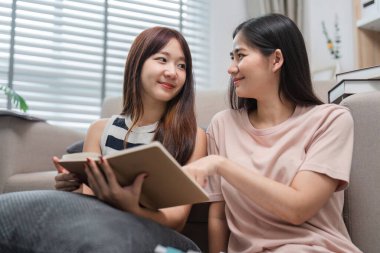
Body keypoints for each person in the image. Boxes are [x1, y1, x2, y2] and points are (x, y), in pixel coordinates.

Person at [0, 27, 206, 253]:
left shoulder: (193, 136)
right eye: (162, 59)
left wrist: (130, 208)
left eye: (181, 65)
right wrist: (75, 186)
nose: (172, 72)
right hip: (99, 222)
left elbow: (176, 219)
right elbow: (89, 201)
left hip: (158, 234)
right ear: (137, 64)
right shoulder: (100, 130)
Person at [183, 14, 362, 253]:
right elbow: (219, 217)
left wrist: (221, 165)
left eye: (241, 55)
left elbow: (298, 208)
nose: (231, 67)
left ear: (276, 59)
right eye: (231, 57)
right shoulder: (223, 125)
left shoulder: (331, 120)